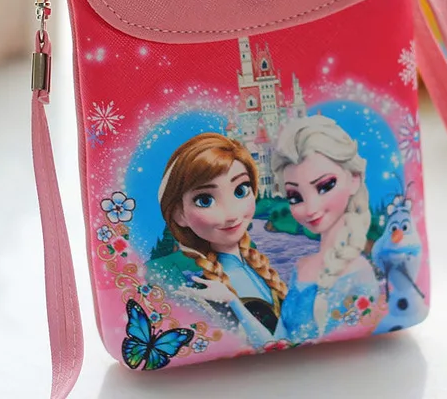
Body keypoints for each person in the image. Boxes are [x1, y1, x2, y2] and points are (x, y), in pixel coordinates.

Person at [158, 132, 287, 347]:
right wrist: (233, 302)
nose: (231, 214)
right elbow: (268, 344)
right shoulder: (202, 286)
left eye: (240, 190)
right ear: (179, 214)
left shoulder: (257, 266)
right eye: (205, 200)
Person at [270, 115, 381, 342]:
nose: (311, 209)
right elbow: (279, 339)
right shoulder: (300, 267)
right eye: (295, 197)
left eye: (325, 186)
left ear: (354, 179)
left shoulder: (359, 273)